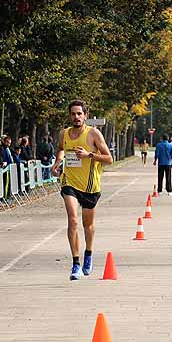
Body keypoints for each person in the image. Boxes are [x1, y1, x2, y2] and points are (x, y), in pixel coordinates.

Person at [53, 99, 113, 280]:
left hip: (90, 186)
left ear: (85, 115)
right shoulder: (64, 133)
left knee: (88, 225)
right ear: (69, 115)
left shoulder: (93, 134)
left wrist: (89, 155)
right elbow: (61, 149)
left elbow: (109, 158)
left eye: (79, 114)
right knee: (72, 220)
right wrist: (57, 163)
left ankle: (88, 253)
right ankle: (75, 264)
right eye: (73, 114)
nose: (76, 117)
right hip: (69, 182)